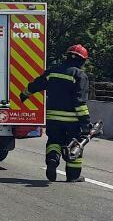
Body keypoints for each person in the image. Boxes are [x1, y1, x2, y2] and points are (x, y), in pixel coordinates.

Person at [22, 43, 92, 182]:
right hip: (73, 121)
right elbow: (79, 102)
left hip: (53, 118)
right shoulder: (79, 75)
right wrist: (86, 123)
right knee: (75, 145)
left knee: (54, 141)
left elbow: (36, 84)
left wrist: (24, 94)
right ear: (82, 60)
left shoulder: (53, 71)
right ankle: (73, 176)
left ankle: (52, 160)